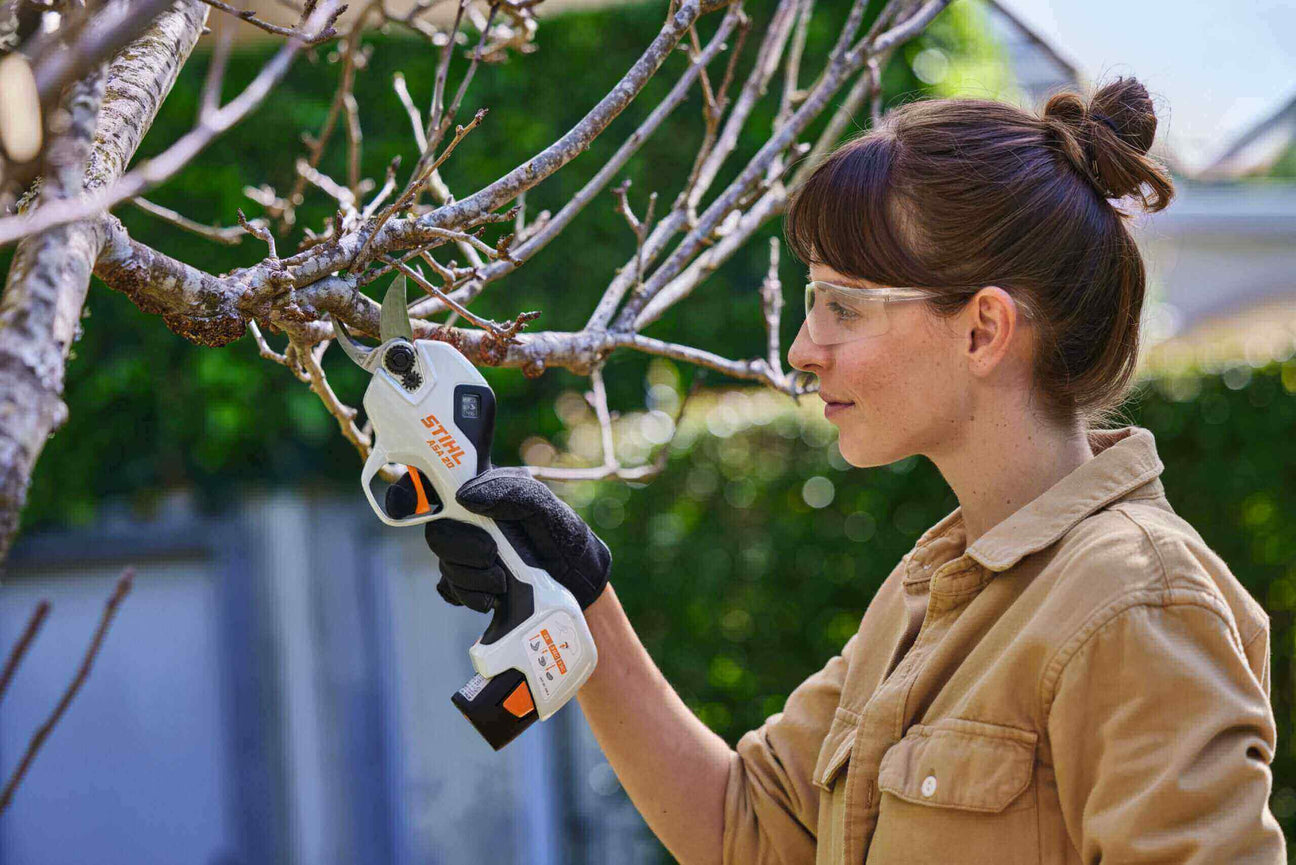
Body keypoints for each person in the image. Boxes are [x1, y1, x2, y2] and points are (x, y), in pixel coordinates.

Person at [389, 76, 1286, 864]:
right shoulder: (928, 593)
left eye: (842, 306)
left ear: (982, 329)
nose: (803, 347)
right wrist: (579, 596)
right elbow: (745, 827)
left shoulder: (1135, 602)